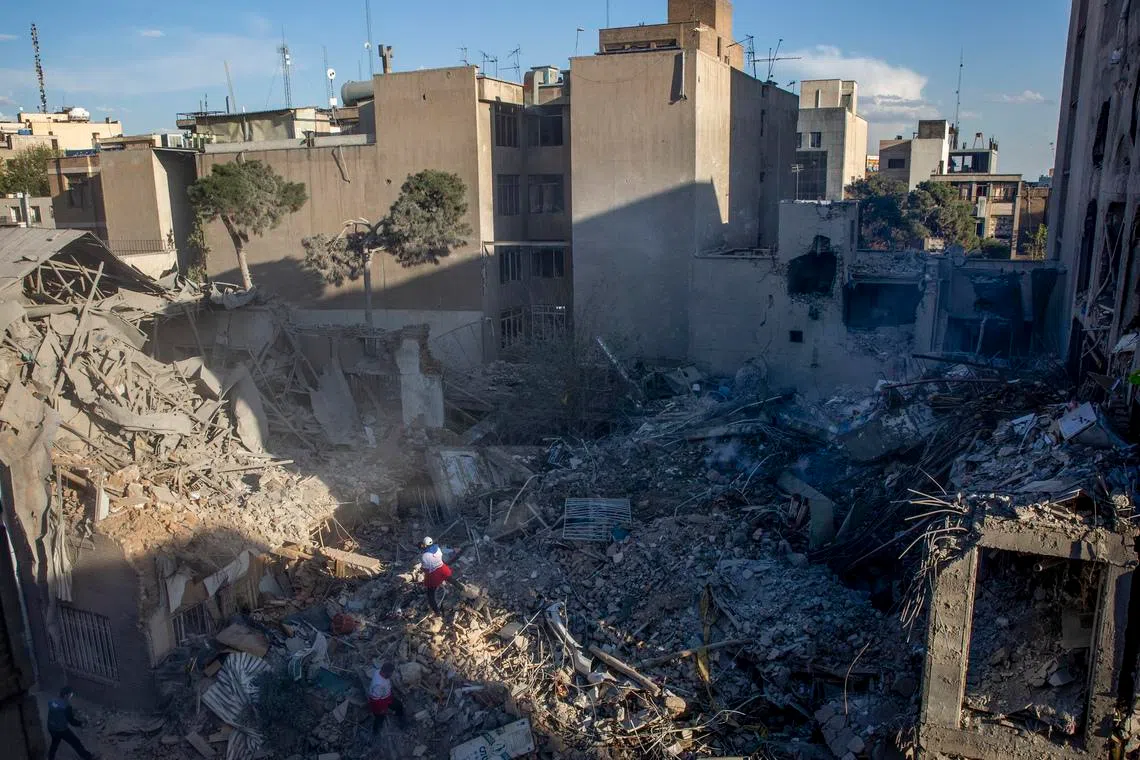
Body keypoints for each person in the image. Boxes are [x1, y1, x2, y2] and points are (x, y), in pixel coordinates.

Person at [47, 687, 98, 760]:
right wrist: (81, 724)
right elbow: (72, 721)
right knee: (75, 742)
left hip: (51, 727)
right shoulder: (67, 705)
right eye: (70, 694)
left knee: (55, 743)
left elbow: (58, 711)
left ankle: (50, 758)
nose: (71, 696)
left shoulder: (53, 701)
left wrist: (71, 712)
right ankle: (87, 757)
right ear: (65, 695)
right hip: (61, 729)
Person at [420, 536, 463, 617]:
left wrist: (423, 569)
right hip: (443, 569)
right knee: (451, 580)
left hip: (434, 574)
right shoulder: (437, 548)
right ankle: (463, 589)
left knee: (430, 594)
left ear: (425, 545)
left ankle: (437, 612)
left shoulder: (425, 556)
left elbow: (426, 568)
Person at [368, 662, 406, 734]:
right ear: (385, 672)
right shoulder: (378, 685)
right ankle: (375, 731)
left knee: (399, 705)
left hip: (387, 698)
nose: (391, 675)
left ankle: (399, 717)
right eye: (390, 673)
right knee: (379, 718)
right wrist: (382, 709)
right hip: (380, 704)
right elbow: (375, 700)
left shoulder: (378, 671)